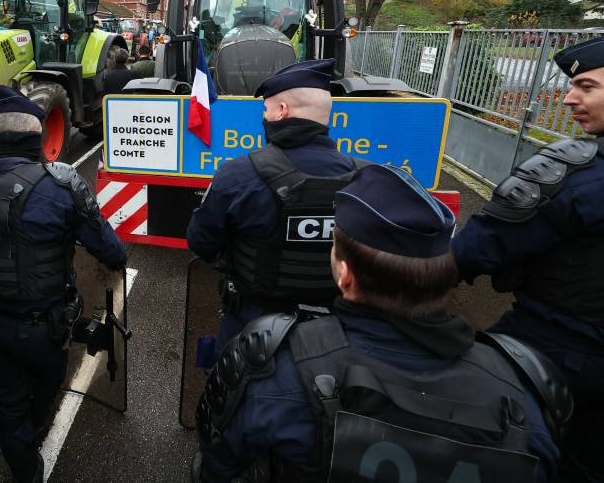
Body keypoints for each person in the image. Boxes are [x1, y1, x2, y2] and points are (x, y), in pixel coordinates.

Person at [195, 164, 568, 483]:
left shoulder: (274, 370)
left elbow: (217, 465)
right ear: (443, 275)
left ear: (345, 276)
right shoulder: (528, 390)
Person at [0, 86, 127, 482]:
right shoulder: (58, 185)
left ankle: (24, 468)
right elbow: (112, 251)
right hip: (44, 328)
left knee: (8, 405)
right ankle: (35, 435)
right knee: (43, 395)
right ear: (38, 136)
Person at [452, 35, 604, 482]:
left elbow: (472, 252)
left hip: (554, 350)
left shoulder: (575, 178)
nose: (568, 97)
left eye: (587, 87)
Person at [186, 59, 366, 356]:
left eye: (266, 110)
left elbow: (201, 241)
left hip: (253, 335)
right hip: (338, 337)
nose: (265, 116)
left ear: (282, 112)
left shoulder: (238, 175)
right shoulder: (368, 180)